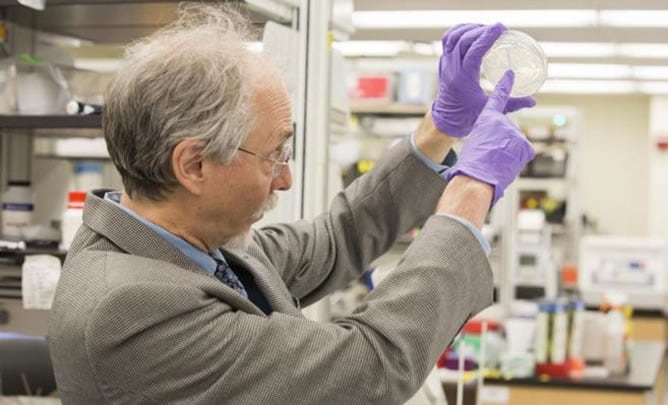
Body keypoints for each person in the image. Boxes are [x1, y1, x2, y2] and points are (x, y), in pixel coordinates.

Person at [48, 4, 535, 404]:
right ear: (193, 166)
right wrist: (469, 193)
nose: (286, 177)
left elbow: (338, 237)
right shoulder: (132, 307)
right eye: (274, 153)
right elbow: (370, 367)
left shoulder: (190, 244)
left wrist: (439, 128)